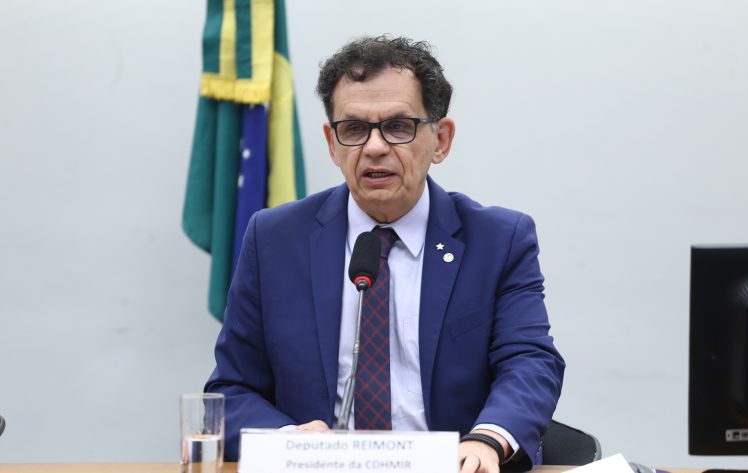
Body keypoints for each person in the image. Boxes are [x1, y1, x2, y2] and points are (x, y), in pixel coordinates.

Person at [205, 35, 565, 473]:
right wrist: (289, 439)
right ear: (332, 143)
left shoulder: (498, 240)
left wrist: (486, 441)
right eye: (354, 129)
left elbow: (530, 362)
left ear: (441, 139)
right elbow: (231, 391)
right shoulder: (275, 239)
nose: (374, 147)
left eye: (398, 126)